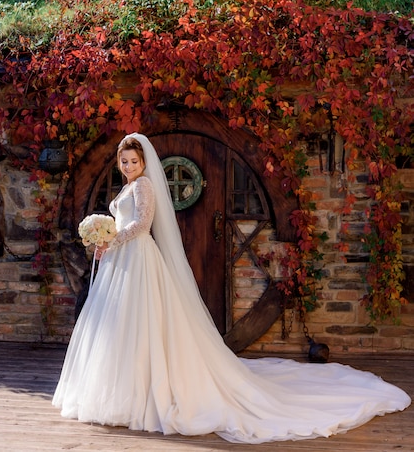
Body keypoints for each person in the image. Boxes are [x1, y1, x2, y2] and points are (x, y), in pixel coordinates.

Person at [53, 133, 411, 443]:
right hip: (121, 261)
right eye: (125, 161)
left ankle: (145, 391)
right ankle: (121, 390)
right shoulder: (128, 186)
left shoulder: (144, 185)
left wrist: (112, 238)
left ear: (144, 162)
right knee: (119, 326)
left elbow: (142, 225)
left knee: (142, 322)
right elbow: (123, 223)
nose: (129, 166)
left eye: (134, 161)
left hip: (138, 257)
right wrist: (105, 239)